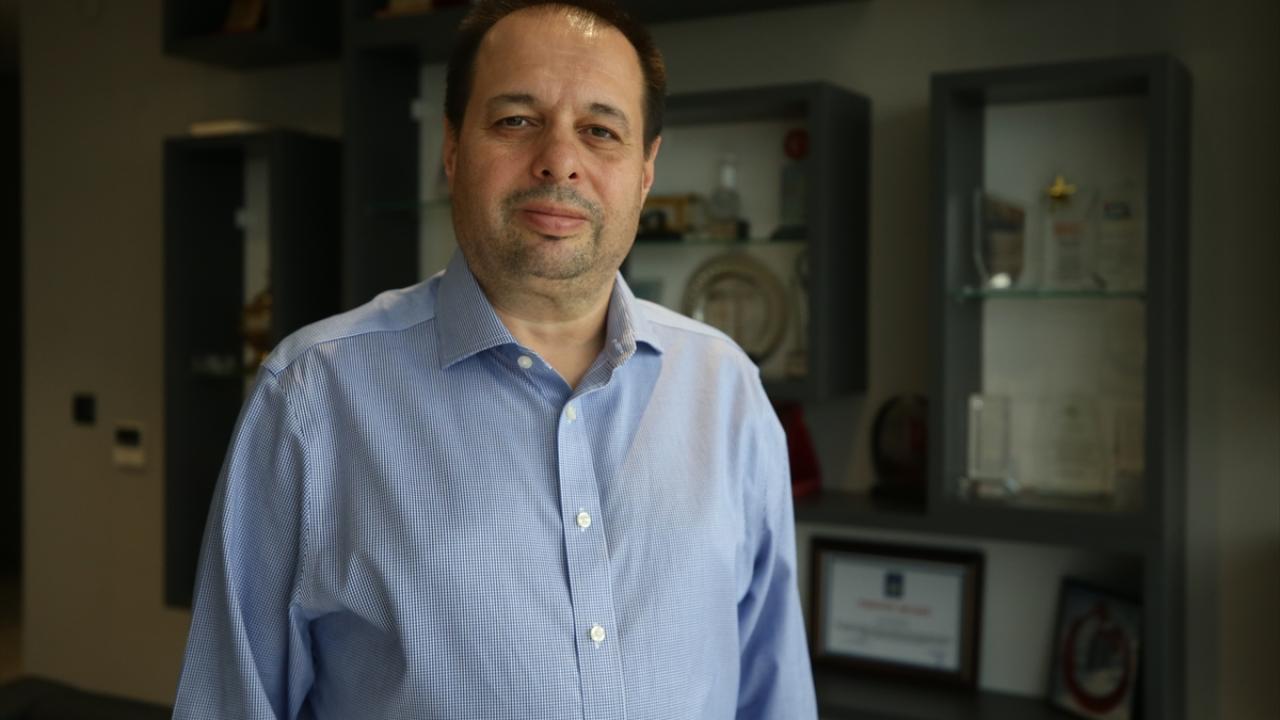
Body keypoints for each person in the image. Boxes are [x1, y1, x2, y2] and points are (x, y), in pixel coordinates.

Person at [173, 1, 817, 717]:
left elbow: (774, 694)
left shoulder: (727, 390)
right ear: (452, 150)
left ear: (644, 171)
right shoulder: (311, 396)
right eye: (515, 120)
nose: (559, 161)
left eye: (600, 131)